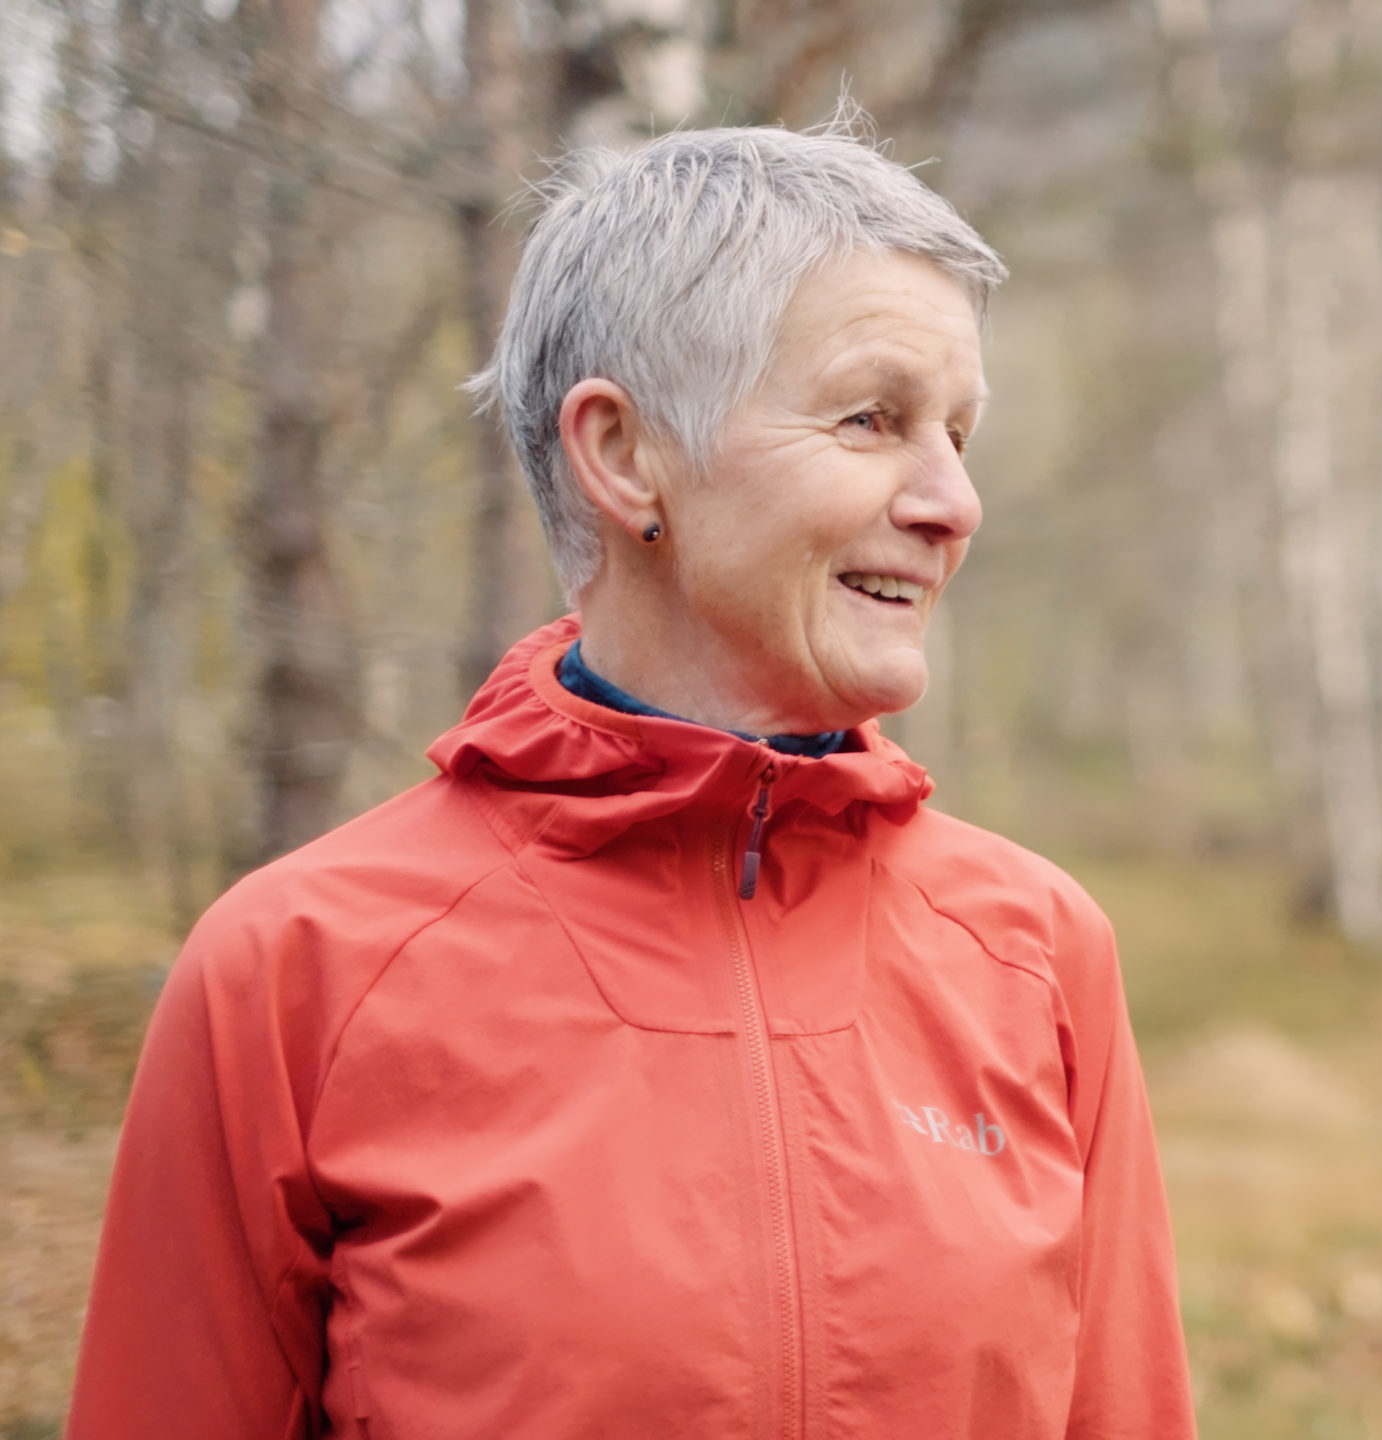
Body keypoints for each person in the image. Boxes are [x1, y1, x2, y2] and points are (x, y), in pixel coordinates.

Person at [69, 121, 1195, 1439]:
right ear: (621, 453)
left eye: (958, 433)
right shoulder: (295, 970)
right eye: (871, 419)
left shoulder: (1036, 951)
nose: (953, 501)